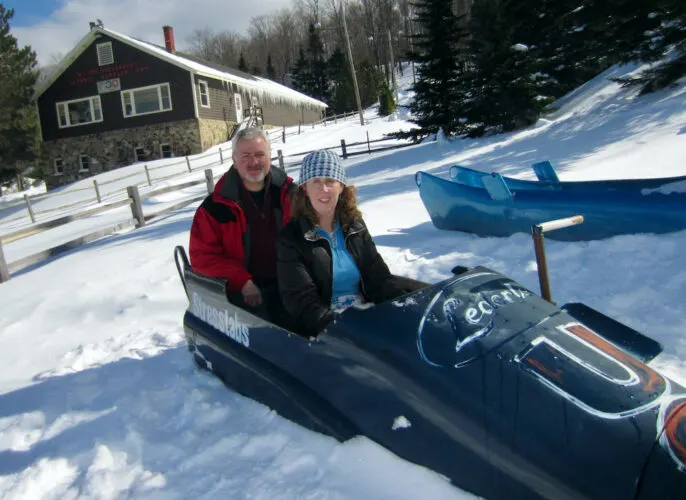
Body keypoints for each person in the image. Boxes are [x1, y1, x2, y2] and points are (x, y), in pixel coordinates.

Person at [277, 149, 405, 336]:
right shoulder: (292, 238)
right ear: (305, 187)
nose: (324, 189)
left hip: (366, 314)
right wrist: (343, 330)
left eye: (330, 181)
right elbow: (302, 302)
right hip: (327, 333)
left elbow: (379, 277)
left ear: (341, 186)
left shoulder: (355, 227)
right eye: (316, 181)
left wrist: (401, 306)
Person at [189, 127, 296, 323]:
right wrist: (241, 280)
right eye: (246, 156)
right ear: (234, 161)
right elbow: (201, 258)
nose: (254, 162)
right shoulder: (214, 208)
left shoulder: (291, 195)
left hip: (293, 285)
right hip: (243, 294)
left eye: (259, 154)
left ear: (270, 157)